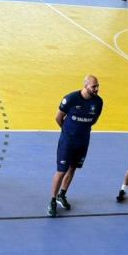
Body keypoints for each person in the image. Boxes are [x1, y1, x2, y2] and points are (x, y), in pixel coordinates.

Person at [48, 75, 103, 217]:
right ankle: (52, 200)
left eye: (97, 86)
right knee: (61, 171)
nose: (96, 89)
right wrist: (67, 132)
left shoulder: (98, 102)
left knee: (73, 168)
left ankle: (62, 194)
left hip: (83, 141)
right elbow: (58, 118)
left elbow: (94, 120)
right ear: (85, 86)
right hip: (67, 141)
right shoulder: (71, 99)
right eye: (93, 86)